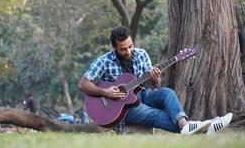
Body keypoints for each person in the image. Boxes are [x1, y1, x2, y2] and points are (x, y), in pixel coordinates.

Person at [78, 26, 233, 134]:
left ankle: (186, 126)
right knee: (156, 115)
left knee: (166, 92)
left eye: (130, 46)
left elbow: (155, 85)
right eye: (123, 49)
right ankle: (207, 126)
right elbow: (83, 84)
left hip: (142, 96)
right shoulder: (104, 61)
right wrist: (105, 92)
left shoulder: (141, 54)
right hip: (122, 109)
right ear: (114, 47)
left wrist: (156, 78)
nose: (129, 51)